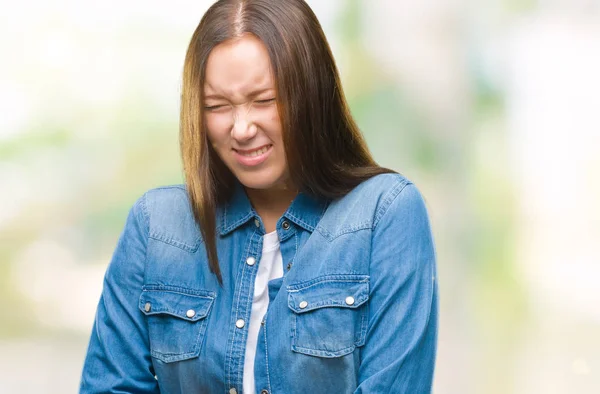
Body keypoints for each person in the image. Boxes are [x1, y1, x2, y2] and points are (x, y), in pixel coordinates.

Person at [80, 0, 438, 393]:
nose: (241, 128)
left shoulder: (384, 214)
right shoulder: (157, 226)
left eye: (264, 100)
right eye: (217, 106)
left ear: (312, 94)